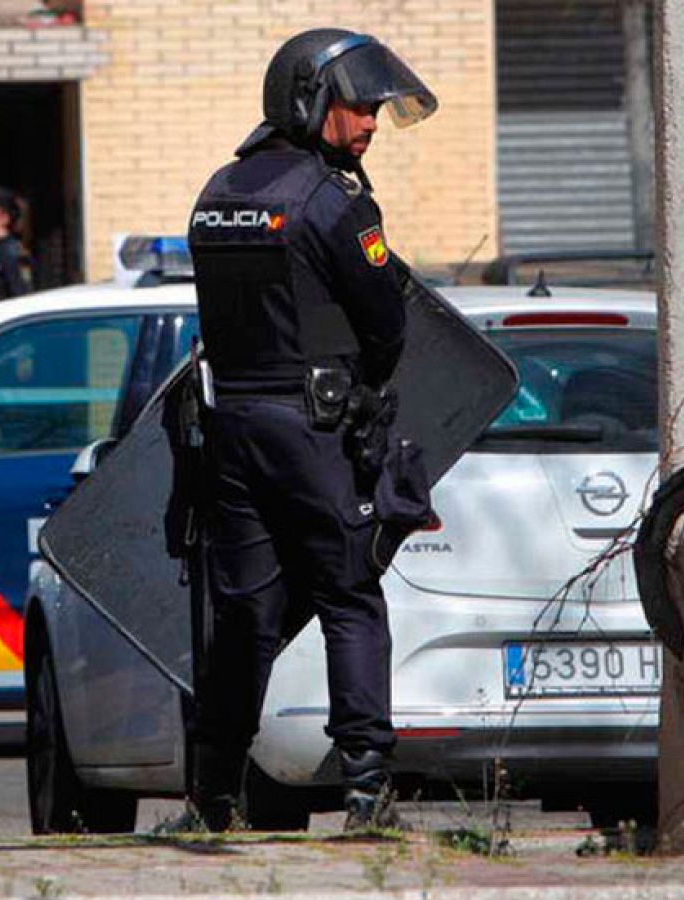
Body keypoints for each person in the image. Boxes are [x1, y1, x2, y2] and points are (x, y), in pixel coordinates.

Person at [182, 28, 438, 831]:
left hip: (233, 431)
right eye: (358, 107)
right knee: (351, 598)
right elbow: (386, 323)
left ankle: (212, 795)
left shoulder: (218, 190)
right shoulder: (332, 199)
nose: (368, 124)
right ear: (311, 102)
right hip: (312, 429)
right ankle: (367, 791)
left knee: (246, 617)